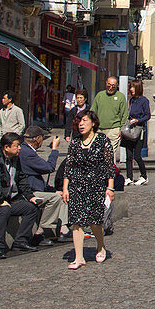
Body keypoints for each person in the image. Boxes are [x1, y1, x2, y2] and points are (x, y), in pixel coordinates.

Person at [0, 132, 42, 259]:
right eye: (17, 146)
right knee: (4, 210)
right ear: (6, 147)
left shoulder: (15, 159)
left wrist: (30, 197)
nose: (19, 148)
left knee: (31, 208)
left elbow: (22, 179)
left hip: (7, 199)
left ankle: (21, 241)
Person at [61, 111, 115, 269]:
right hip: (77, 186)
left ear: (93, 123)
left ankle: (100, 245)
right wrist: (65, 187)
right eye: (79, 122)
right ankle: (79, 257)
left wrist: (110, 187)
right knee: (76, 222)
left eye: (84, 121)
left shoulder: (102, 140)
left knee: (94, 221)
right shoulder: (75, 142)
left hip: (96, 185)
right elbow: (69, 167)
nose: (81, 124)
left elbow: (109, 165)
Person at [18, 126, 68, 245]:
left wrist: (52, 190)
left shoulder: (28, 151)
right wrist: (55, 149)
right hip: (30, 192)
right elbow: (49, 167)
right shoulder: (27, 153)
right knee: (56, 198)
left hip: (37, 188)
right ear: (37, 139)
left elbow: (37, 178)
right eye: (42, 138)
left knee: (63, 195)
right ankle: (41, 231)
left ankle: (63, 230)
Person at [91, 76, 128, 162]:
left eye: (113, 86)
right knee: (99, 153)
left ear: (116, 86)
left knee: (110, 154)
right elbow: (93, 112)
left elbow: (124, 114)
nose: (111, 87)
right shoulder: (100, 95)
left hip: (113, 130)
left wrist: (120, 129)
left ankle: (111, 174)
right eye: (109, 85)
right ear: (106, 84)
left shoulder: (120, 97)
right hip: (99, 130)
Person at [124, 79, 150, 185]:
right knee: (128, 155)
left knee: (137, 155)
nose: (131, 89)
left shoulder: (144, 100)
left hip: (139, 129)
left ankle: (143, 175)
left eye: (133, 87)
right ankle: (129, 177)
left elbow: (147, 115)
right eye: (131, 87)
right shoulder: (131, 100)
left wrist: (138, 120)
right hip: (130, 129)